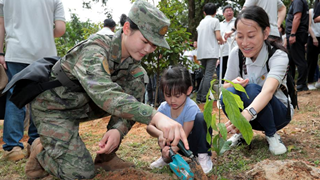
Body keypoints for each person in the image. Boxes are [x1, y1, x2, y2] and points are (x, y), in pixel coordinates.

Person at [25, 0, 189, 179]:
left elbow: (127, 100)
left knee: (138, 79)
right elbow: (104, 94)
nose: (149, 49)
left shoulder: (132, 66)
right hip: (53, 109)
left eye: (154, 45)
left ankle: (106, 157)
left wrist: (118, 130)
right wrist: (156, 116)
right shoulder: (95, 50)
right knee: (80, 173)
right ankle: (40, 151)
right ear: (126, 28)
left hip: (83, 105)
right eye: (145, 41)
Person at [221, 6, 293, 156]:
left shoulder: (278, 56)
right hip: (250, 116)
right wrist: (233, 84)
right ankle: (242, 133)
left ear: (265, 33)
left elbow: (268, 91)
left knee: (252, 89)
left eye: (251, 36)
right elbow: (224, 86)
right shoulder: (236, 54)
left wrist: (246, 115)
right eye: (240, 36)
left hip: (278, 113)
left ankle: (272, 134)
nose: (245, 43)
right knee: (228, 92)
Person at [0, 0, 66, 161]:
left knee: (15, 97)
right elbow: (60, 29)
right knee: (40, 98)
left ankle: (12, 148)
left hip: (16, 52)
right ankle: (35, 142)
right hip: (44, 54)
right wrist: (42, 33)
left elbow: (1, 23)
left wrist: (0, 53)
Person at [147, 65, 212, 173]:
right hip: (175, 146)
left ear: (188, 90)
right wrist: (160, 134)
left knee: (201, 118)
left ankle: (203, 157)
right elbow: (149, 127)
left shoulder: (190, 107)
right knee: (166, 131)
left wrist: (170, 151)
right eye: (168, 95)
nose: (172, 100)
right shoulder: (163, 107)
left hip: (190, 145)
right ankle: (166, 158)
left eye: (177, 96)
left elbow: (183, 136)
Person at [196, 2, 224, 103]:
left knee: (204, 75)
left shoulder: (201, 22)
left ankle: (199, 97)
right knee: (208, 75)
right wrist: (222, 41)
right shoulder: (215, 21)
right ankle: (204, 97)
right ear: (215, 12)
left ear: (204, 12)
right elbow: (218, 36)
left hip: (201, 53)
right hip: (211, 52)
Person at [285, 0, 309, 91]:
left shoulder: (298, 1)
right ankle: (291, 83)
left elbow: (297, 17)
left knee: (299, 60)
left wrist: (293, 34)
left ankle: (301, 84)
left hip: (296, 34)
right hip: (297, 34)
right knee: (291, 60)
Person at [217, 5, 237, 81]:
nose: (229, 12)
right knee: (222, 72)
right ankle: (222, 89)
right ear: (223, 14)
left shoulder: (237, 22)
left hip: (234, 51)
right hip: (222, 52)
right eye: (227, 11)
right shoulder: (220, 24)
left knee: (233, 72)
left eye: (231, 10)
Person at [307, 1, 320, 90]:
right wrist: (314, 37)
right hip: (313, 37)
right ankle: (310, 82)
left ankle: (319, 81)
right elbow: (309, 26)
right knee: (312, 61)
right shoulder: (311, 11)